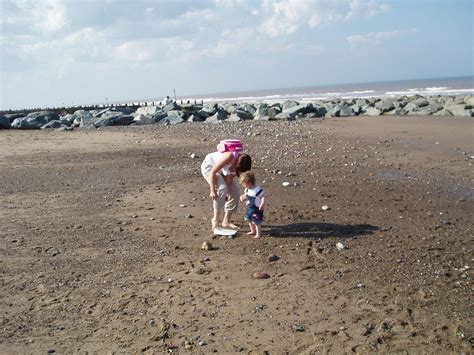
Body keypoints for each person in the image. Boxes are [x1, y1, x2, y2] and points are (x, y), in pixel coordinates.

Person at [201, 144, 252, 232]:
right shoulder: (229, 156)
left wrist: (228, 192)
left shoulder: (241, 166)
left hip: (221, 171)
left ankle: (226, 221)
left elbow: (229, 178)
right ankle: (215, 221)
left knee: (235, 192)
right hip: (209, 167)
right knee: (222, 188)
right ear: (237, 163)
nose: (238, 172)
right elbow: (213, 171)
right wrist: (212, 190)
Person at [239, 171, 266, 239]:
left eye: (243, 183)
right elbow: (247, 195)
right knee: (249, 219)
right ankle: (253, 231)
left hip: (256, 208)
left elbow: (263, 197)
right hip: (249, 208)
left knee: (257, 221)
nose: (242, 185)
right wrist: (242, 197)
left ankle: (258, 234)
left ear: (249, 182)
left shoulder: (257, 190)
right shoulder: (247, 189)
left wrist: (262, 204)